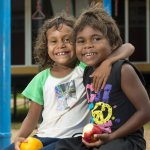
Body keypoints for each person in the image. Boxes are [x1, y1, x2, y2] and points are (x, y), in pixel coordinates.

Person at [4, 12, 134, 150]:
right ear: (46, 46)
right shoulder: (41, 79)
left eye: (68, 40)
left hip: (72, 140)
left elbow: (128, 47)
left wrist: (107, 62)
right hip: (41, 137)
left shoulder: (86, 69)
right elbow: (31, 118)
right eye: (54, 41)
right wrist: (20, 136)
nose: (61, 45)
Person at [55, 4, 150, 150]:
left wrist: (112, 136)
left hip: (126, 140)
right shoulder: (87, 72)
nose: (88, 46)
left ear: (113, 44)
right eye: (81, 41)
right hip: (98, 137)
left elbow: (146, 111)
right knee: (62, 146)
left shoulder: (122, 70)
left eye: (96, 39)